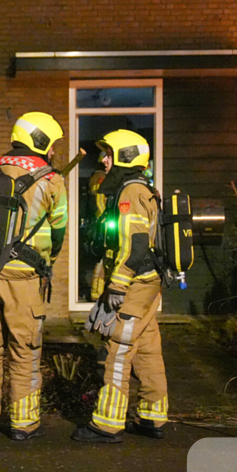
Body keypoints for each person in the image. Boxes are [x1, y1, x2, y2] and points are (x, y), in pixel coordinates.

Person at [0, 112, 68, 441]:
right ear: (40, 141)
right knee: (24, 351)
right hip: (23, 281)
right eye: (52, 145)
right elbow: (59, 230)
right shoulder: (51, 179)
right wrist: (46, 261)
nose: (53, 152)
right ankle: (23, 424)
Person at [74, 129, 168, 444]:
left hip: (135, 286)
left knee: (117, 350)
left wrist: (118, 283)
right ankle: (152, 417)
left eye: (109, 154)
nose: (103, 160)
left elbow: (136, 243)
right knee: (148, 350)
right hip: (148, 285)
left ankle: (107, 424)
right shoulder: (143, 189)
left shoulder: (130, 192)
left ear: (125, 158)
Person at [87, 149, 111, 300]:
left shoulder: (99, 176)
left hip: (102, 222)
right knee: (103, 260)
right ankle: (97, 293)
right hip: (103, 223)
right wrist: (104, 216)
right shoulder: (100, 177)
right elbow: (100, 200)